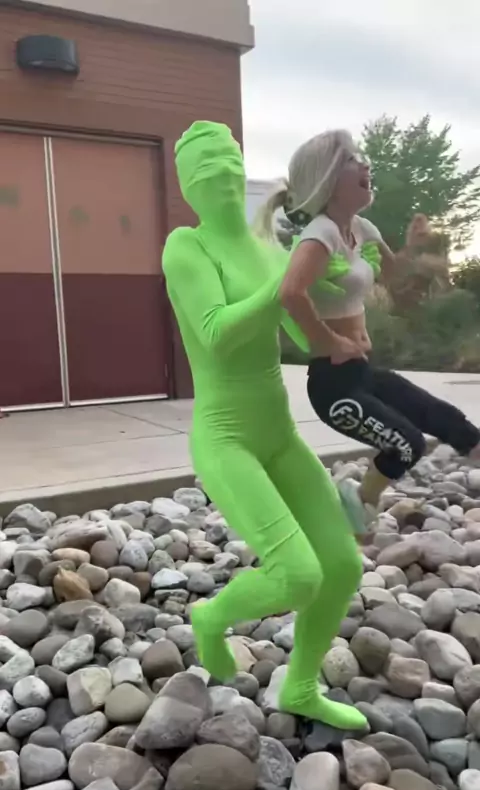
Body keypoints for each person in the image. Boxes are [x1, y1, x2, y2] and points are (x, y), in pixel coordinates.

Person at [162, 120, 367, 730]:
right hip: (226, 438)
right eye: (208, 172)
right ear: (187, 187)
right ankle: (210, 618)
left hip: (278, 434)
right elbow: (216, 333)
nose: (224, 180)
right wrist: (285, 286)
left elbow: (305, 334)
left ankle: (300, 687)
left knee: (343, 566)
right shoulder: (186, 246)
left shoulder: (270, 247)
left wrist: (344, 313)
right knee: (297, 575)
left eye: (231, 167)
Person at [253, 129, 480, 533]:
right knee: (406, 443)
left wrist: (414, 249)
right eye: (352, 159)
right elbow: (291, 292)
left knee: (446, 420)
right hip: (333, 385)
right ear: (327, 178)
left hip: (364, 371)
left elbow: (396, 279)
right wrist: (328, 341)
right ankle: (357, 507)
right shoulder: (320, 233)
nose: (365, 164)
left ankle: (354, 509)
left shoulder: (362, 229)